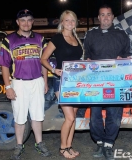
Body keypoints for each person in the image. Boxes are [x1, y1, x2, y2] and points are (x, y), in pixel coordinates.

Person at [0, 9, 51, 160]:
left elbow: (44, 63)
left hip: (37, 82)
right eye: (23, 20)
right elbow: (4, 65)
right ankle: (19, 145)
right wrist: (8, 87)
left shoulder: (41, 39)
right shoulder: (9, 40)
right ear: (17, 22)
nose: (26, 23)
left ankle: (39, 143)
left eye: (29, 20)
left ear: (33, 22)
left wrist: (45, 82)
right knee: (19, 117)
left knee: (37, 116)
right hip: (19, 83)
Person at [83, 4, 132, 160]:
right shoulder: (90, 35)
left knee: (114, 114)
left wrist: (123, 60)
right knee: (95, 115)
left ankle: (109, 143)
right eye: (102, 15)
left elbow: (128, 56)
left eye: (108, 14)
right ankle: (99, 142)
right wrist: (87, 61)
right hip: (96, 82)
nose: (105, 17)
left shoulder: (122, 34)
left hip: (116, 82)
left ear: (112, 17)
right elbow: (86, 57)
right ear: (98, 17)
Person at [40, 10, 83, 159]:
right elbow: (43, 59)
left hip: (76, 81)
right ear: (62, 22)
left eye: (72, 20)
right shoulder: (57, 38)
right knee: (69, 117)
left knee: (74, 116)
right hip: (62, 82)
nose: (70, 23)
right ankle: (62, 147)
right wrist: (54, 70)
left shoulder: (76, 38)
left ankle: (69, 146)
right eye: (67, 20)